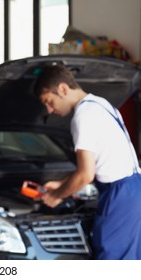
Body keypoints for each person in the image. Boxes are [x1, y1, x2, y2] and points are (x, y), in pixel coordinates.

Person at [33, 64, 141, 260]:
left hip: (119, 194)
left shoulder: (83, 116)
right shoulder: (101, 104)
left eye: (49, 101)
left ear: (63, 89)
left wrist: (57, 195)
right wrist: (61, 182)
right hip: (133, 188)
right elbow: (100, 162)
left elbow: (86, 174)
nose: (49, 110)